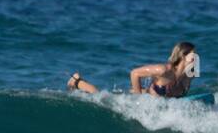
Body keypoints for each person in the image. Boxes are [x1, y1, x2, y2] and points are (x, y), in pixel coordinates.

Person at [66, 41, 198, 97]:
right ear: (183, 56)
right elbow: (134, 73)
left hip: (158, 98)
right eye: (193, 54)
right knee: (103, 97)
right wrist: (138, 97)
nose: (196, 57)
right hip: (141, 96)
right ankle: (77, 81)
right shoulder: (164, 70)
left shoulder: (189, 73)